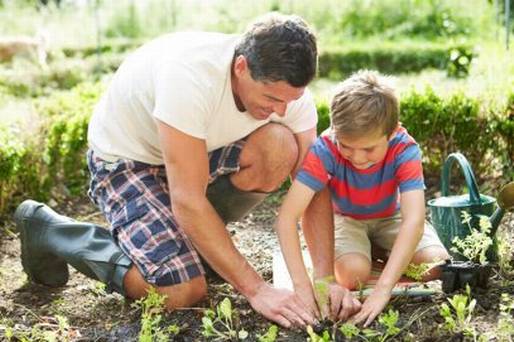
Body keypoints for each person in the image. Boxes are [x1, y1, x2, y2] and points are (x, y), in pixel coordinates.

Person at [13, 13, 358, 328]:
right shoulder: (190, 77)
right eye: (270, 98)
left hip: (195, 155)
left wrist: (325, 279)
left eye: (290, 100)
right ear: (241, 67)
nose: (280, 109)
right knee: (181, 289)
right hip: (128, 160)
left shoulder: (288, 99)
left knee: (280, 146)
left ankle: (194, 245)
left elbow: (312, 189)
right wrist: (257, 290)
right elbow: (187, 199)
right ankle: (49, 230)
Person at [274, 70, 450, 326]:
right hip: (346, 219)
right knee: (352, 275)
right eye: (347, 146)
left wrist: (383, 289)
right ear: (335, 131)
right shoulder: (326, 148)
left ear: (391, 133)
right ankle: (376, 256)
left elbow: (414, 220)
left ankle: (381, 254)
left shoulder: (404, 147)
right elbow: (287, 218)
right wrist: (303, 286)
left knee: (435, 266)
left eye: (369, 149)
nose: (357, 158)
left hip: (391, 216)